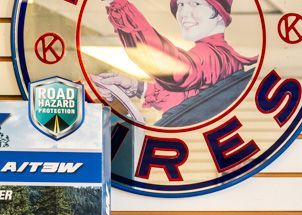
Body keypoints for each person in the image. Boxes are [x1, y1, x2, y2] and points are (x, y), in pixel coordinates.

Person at [92, 0, 256, 124]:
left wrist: (119, 5)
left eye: (195, 3)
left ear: (219, 13)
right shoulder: (221, 55)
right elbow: (186, 99)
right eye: (181, 4)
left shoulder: (213, 55)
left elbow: (176, 71)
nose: (183, 13)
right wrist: (135, 86)